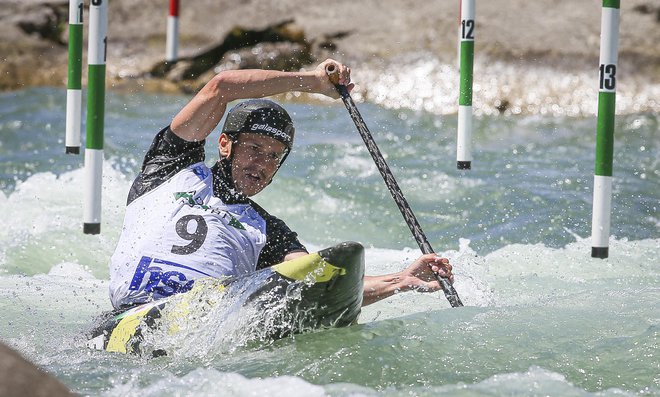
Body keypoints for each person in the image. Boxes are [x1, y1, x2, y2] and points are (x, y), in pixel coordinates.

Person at [109, 59, 454, 310]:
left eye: (274, 156)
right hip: (122, 320)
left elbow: (319, 286)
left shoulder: (269, 232)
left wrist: (401, 280)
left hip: (192, 332)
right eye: (255, 148)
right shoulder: (171, 169)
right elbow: (222, 87)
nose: (262, 163)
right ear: (225, 145)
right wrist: (312, 82)